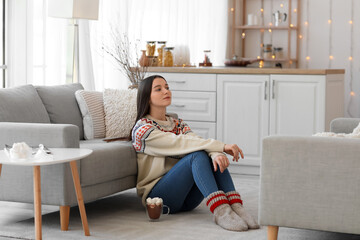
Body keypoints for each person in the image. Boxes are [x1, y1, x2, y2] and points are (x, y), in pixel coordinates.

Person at [131, 75, 259, 231]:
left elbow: (195, 140)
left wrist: (216, 153)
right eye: (159, 89)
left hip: (187, 199)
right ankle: (221, 211)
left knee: (213, 156)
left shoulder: (177, 123)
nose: (166, 91)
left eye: (167, 87)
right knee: (197, 156)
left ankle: (236, 206)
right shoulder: (142, 129)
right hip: (159, 198)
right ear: (147, 97)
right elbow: (180, 142)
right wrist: (221, 146)